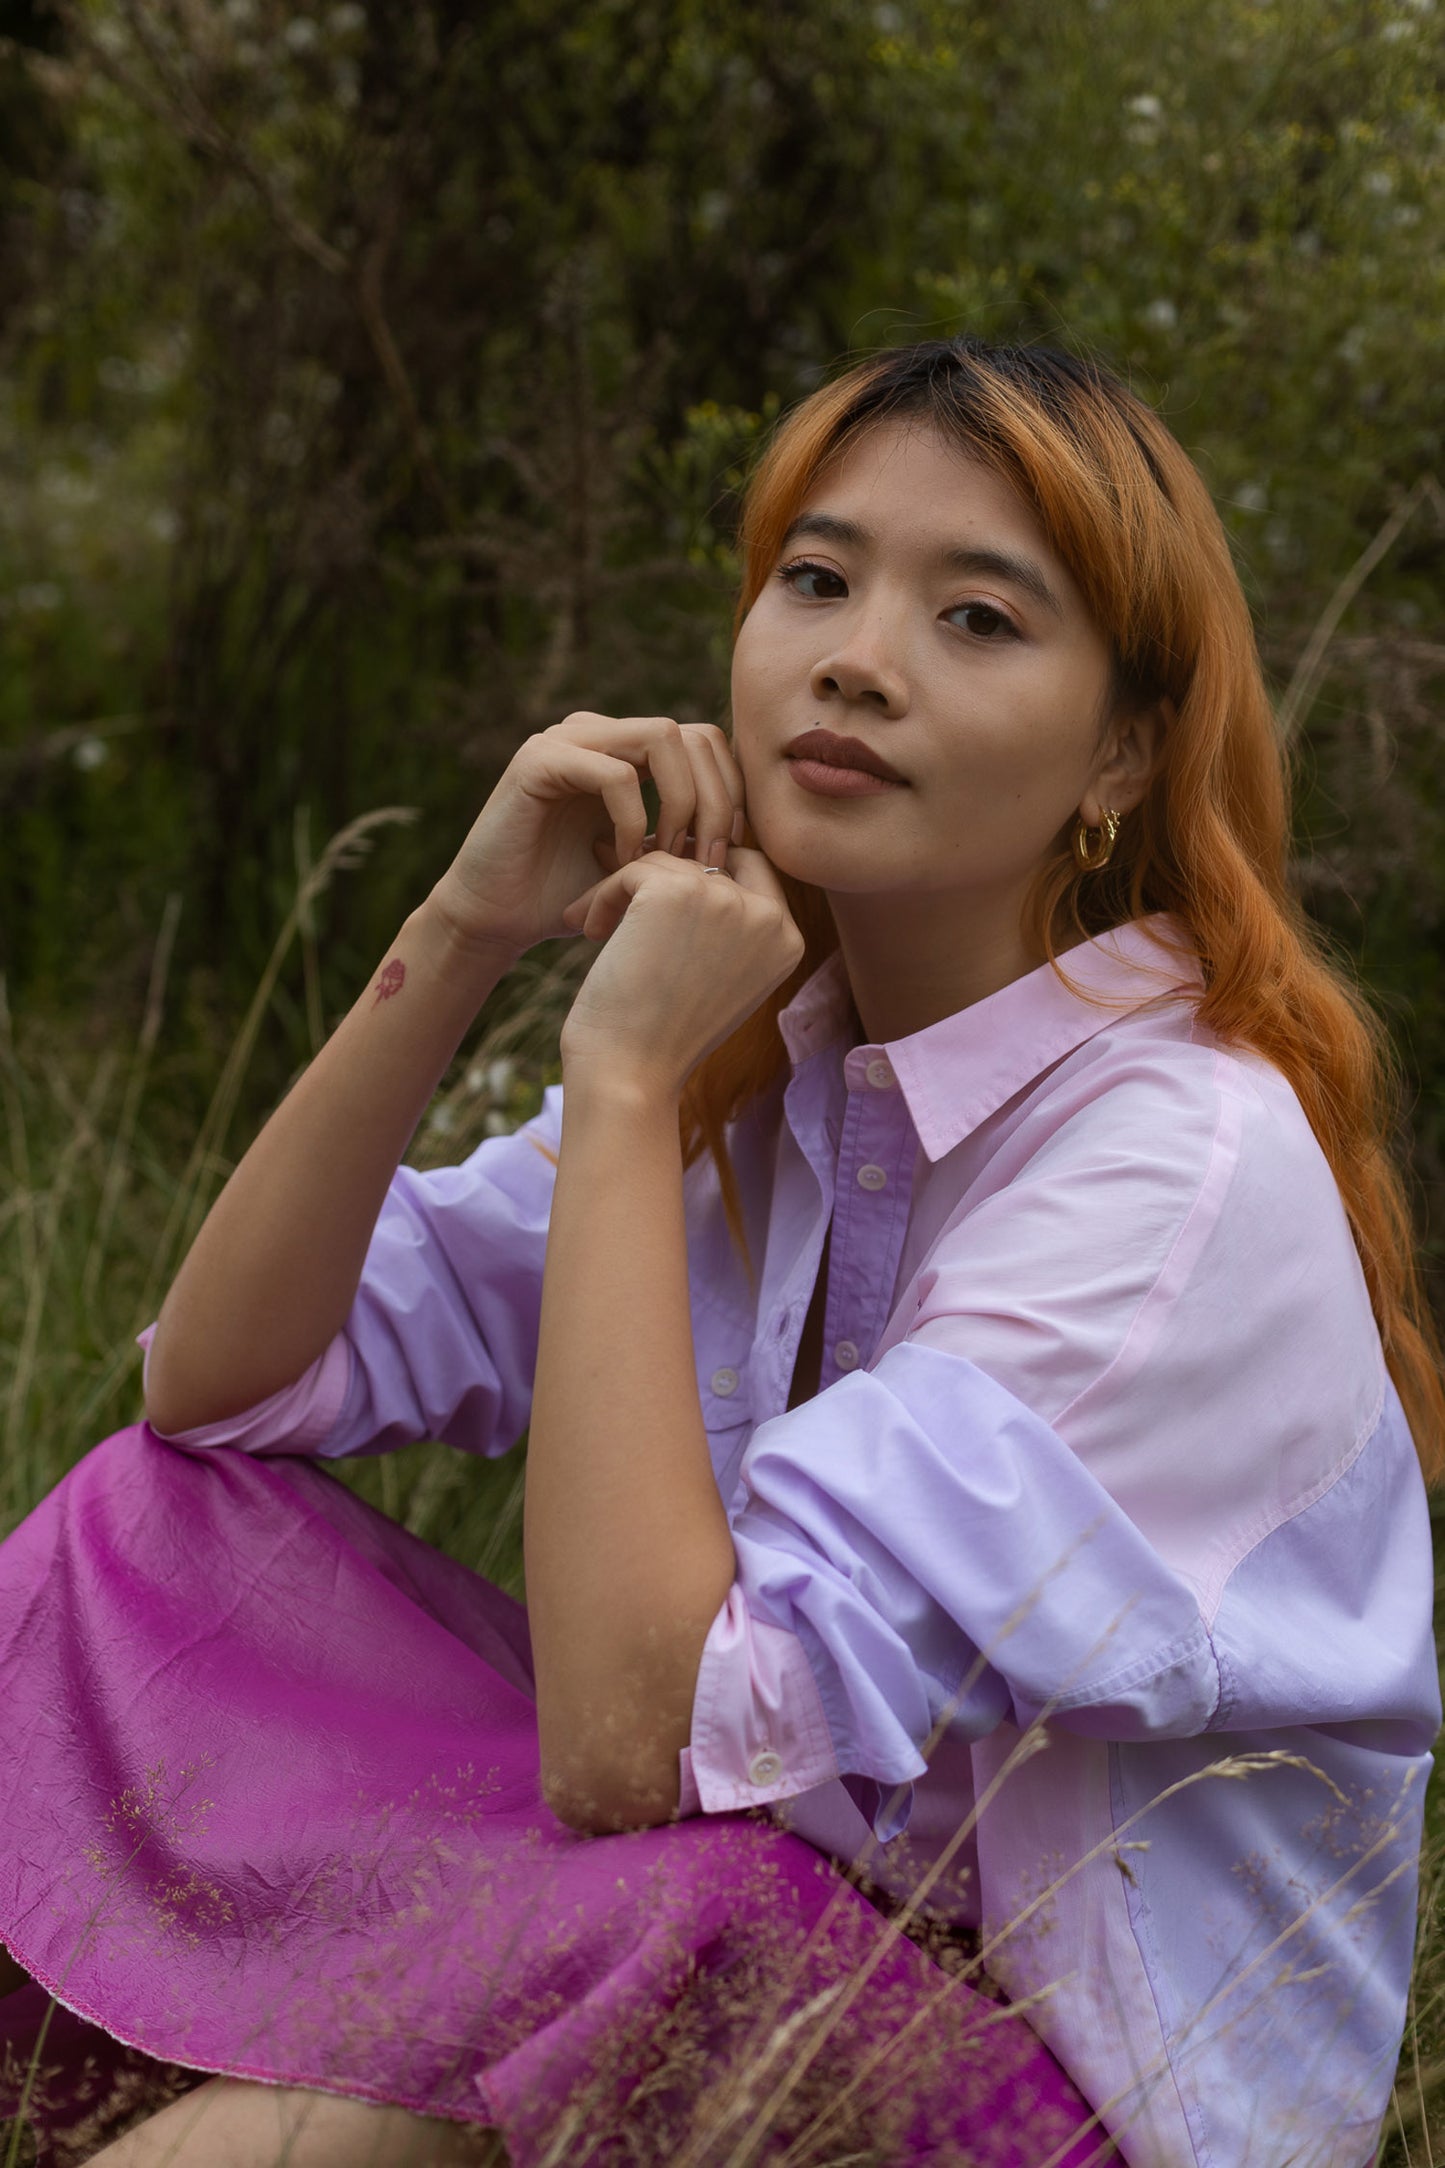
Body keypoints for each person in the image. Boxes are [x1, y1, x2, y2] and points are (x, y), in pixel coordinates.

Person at [0, 336, 1439, 2168]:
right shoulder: (790, 1050)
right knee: (153, 1526)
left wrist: (617, 1077)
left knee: (649, 1934)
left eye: (978, 618)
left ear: (1124, 753)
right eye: (815, 581)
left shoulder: (1171, 1165)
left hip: (1053, 2091)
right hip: (737, 1911)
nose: (856, 654)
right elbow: (222, 1383)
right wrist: (461, 931)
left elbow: (629, 1742)